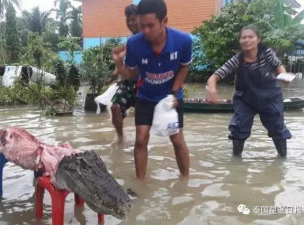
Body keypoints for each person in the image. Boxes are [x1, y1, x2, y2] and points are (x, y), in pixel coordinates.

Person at [112, 0, 192, 179]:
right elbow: (132, 75)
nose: (146, 31)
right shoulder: (134, 43)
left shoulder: (184, 41)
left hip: (170, 95)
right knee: (140, 138)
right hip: (146, 95)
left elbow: (183, 68)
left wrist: (173, 92)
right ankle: (140, 183)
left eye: (151, 25)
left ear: (164, 21)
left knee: (177, 140)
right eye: (142, 25)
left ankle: (185, 180)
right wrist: (119, 63)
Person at [206, 25, 292, 158]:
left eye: (250, 37)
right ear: (240, 41)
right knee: (238, 128)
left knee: (277, 128)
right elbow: (214, 77)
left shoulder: (267, 53)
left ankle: (282, 160)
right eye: (243, 37)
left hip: (270, 97)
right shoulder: (237, 60)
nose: (246, 40)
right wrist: (212, 90)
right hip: (245, 100)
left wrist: (284, 75)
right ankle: (236, 162)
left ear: (258, 39)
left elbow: (278, 65)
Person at [110, 4, 140, 142]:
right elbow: (124, 56)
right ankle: (120, 137)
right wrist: (116, 70)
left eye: (134, 19)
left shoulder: (147, 37)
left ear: (140, 19)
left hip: (144, 84)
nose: (131, 23)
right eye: (128, 20)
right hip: (128, 82)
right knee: (115, 107)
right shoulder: (130, 39)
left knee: (143, 118)